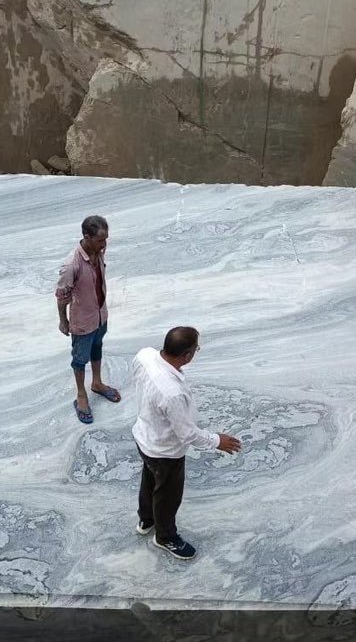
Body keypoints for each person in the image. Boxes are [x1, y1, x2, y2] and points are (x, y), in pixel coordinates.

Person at [131, 326, 242, 561]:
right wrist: (217, 441)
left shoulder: (144, 355)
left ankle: (146, 519)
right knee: (167, 496)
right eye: (196, 349)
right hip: (165, 451)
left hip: (144, 436)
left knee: (149, 479)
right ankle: (165, 537)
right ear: (187, 355)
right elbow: (187, 434)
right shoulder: (172, 392)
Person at [56, 214, 121, 424]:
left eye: (106, 239)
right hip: (83, 321)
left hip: (100, 315)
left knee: (97, 347)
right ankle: (81, 394)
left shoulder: (98, 251)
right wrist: (63, 321)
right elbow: (62, 296)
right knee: (79, 358)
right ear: (87, 237)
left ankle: (97, 382)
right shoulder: (71, 265)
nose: (105, 244)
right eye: (100, 240)